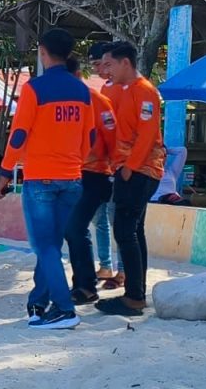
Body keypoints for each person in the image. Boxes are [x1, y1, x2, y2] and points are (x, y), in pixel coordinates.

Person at [0, 29, 95, 330]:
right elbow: (89, 137)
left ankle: (64, 308)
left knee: (44, 246)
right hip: (72, 178)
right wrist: (73, 162)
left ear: (42, 52)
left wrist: (5, 173)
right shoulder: (82, 90)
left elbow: (19, 135)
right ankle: (38, 302)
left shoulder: (34, 89)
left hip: (40, 178)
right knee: (51, 244)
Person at [95, 41, 165, 317]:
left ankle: (134, 296)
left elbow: (147, 134)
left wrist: (129, 168)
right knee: (134, 230)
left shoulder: (145, 91)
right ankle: (136, 292)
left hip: (140, 170)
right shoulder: (116, 89)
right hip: (126, 169)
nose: (105, 70)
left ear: (125, 62)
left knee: (124, 230)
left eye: (109, 64)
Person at [63, 56, 118, 306]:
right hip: (70, 174)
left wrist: (117, 171)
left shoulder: (98, 101)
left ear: (76, 76)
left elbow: (113, 140)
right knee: (73, 229)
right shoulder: (60, 101)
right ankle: (83, 283)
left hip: (96, 174)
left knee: (76, 228)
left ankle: (86, 286)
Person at [89, 42, 123, 284]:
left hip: (118, 164)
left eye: (100, 64)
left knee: (116, 220)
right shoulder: (104, 90)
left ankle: (123, 270)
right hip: (99, 165)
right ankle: (105, 266)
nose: (98, 70)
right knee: (98, 219)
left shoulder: (129, 88)